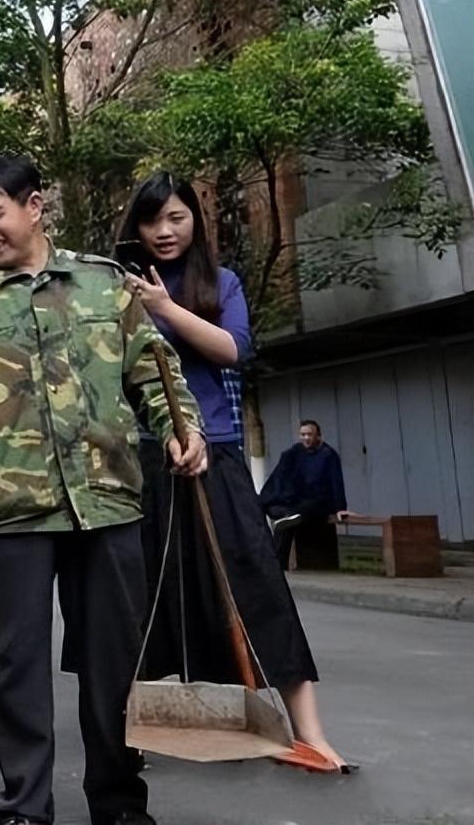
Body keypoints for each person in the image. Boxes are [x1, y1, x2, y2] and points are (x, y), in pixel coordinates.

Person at [0, 155, 206, 825]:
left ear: (35, 206)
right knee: (16, 670)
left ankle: (119, 803)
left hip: (107, 502)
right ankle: (25, 808)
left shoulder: (106, 286)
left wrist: (180, 428)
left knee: (114, 666)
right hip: (7, 514)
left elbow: (155, 374)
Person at [119, 171, 351, 773]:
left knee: (259, 585)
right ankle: (129, 730)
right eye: (152, 220)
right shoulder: (117, 289)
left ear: (195, 218)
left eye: (176, 217)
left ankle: (310, 734)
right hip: (145, 455)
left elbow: (232, 348)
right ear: (135, 228)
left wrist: (165, 308)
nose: (164, 231)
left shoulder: (219, 283)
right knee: (141, 594)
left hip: (217, 452)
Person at [260, 420, 349, 569]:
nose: (306, 438)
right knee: (279, 513)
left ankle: (276, 565)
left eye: (310, 434)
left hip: (317, 503)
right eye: (303, 434)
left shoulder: (328, 455)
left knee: (285, 523)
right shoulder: (294, 452)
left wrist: (340, 508)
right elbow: (280, 476)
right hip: (295, 501)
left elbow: (336, 482)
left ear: (318, 436)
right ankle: (274, 562)